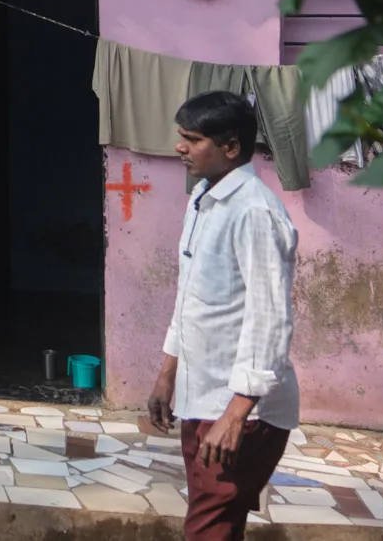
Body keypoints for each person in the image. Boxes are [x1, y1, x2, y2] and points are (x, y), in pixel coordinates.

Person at [147, 90, 300, 541]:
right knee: (216, 523)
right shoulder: (202, 200)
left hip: (241, 410)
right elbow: (192, 296)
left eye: (192, 139)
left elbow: (270, 319)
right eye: (182, 137)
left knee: (208, 528)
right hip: (202, 395)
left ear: (230, 147)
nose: (180, 148)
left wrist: (236, 415)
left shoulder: (255, 212)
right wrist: (168, 371)